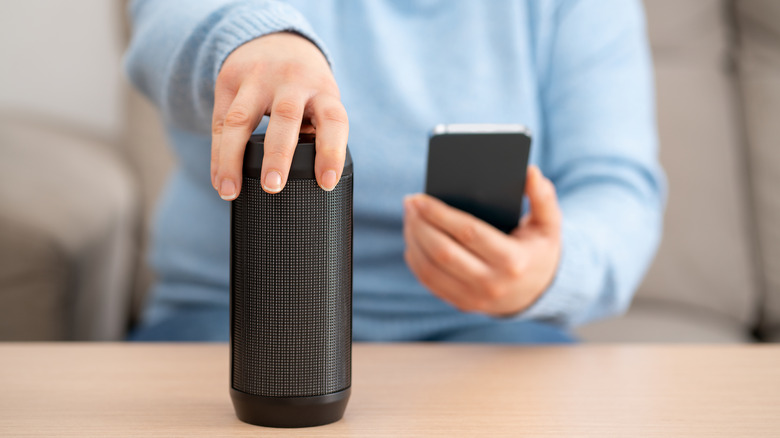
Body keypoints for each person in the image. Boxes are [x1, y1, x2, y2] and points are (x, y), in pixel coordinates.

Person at [125, 0, 665, 342]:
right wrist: (251, 37)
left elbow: (615, 185)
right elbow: (164, 19)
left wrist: (547, 269)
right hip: (239, 309)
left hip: (480, 321)